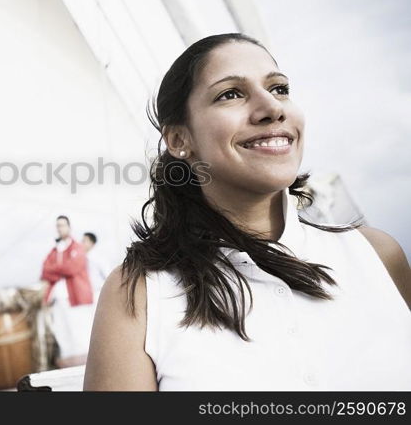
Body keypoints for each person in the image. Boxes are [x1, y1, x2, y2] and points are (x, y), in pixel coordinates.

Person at [84, 33, 411, 391]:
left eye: (279, 88)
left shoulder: (379, 257)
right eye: (231, 94)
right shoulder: (139, 295)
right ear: (180, 140)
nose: (272, 107)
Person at [41, 215, 93, 367]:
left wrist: (55, 269)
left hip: (75, 298)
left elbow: (73, 268)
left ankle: (84, 371)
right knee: (62, 335)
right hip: (58, 299)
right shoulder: (54, 250)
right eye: (58, 225)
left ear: (69, 227)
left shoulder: (77, 247)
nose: (60, 228)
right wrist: (61, 268)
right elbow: (44, 271)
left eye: (63, 225)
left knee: (79, 335)